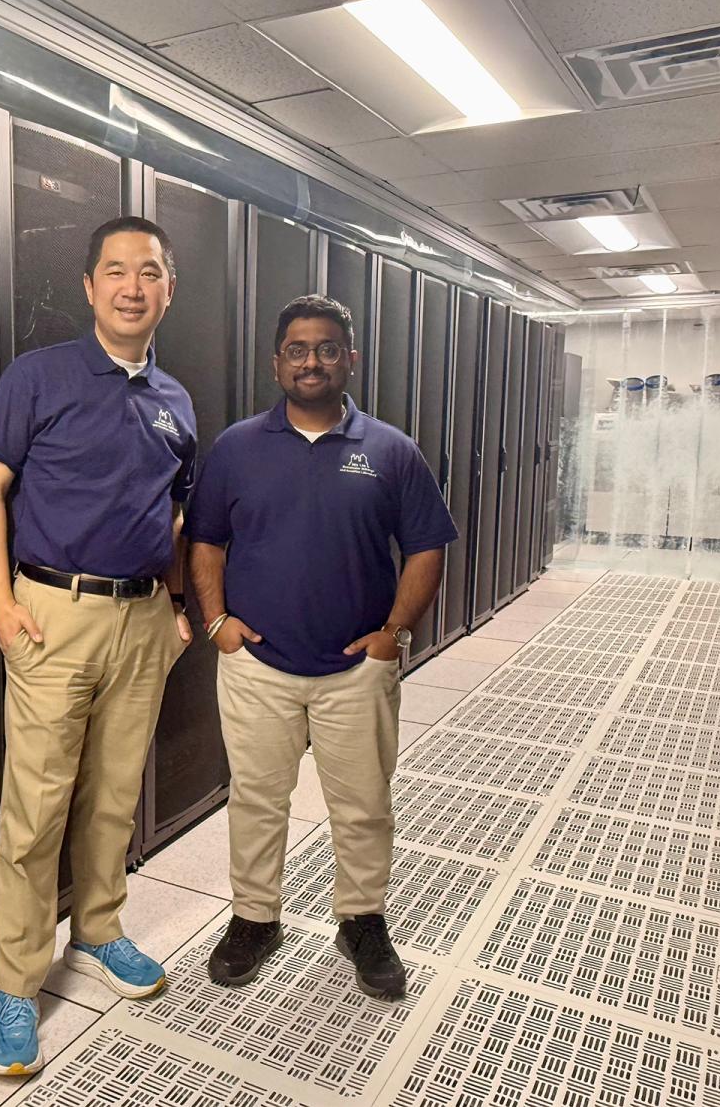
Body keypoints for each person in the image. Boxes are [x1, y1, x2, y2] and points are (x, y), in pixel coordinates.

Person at [0, 216, 196, 1075]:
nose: (133, 286)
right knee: (35, 808)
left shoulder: (176, 400)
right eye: (117, 270)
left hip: (143, 619)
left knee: (113, 793)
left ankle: (98, 929)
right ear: (91, 286)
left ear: (168, 289)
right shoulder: (38, 376)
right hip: (52, 615)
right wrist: (0, 604)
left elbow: (176, 512)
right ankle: (17, 986)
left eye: (150, 272)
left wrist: (178, 608)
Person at [185, 293, 456, 999]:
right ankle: (254, 919)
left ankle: (361, 921)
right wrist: (217, 624)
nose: (312, 361)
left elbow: (427, 546)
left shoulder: (391, 450)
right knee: (256, 799)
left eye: (327, 348)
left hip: (356, 669)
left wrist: (394, 634)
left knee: (363, 803)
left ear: (350, 359)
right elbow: (205, 540)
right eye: (298, 350)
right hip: (257, 666)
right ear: (277, 362)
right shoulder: (237, 447)